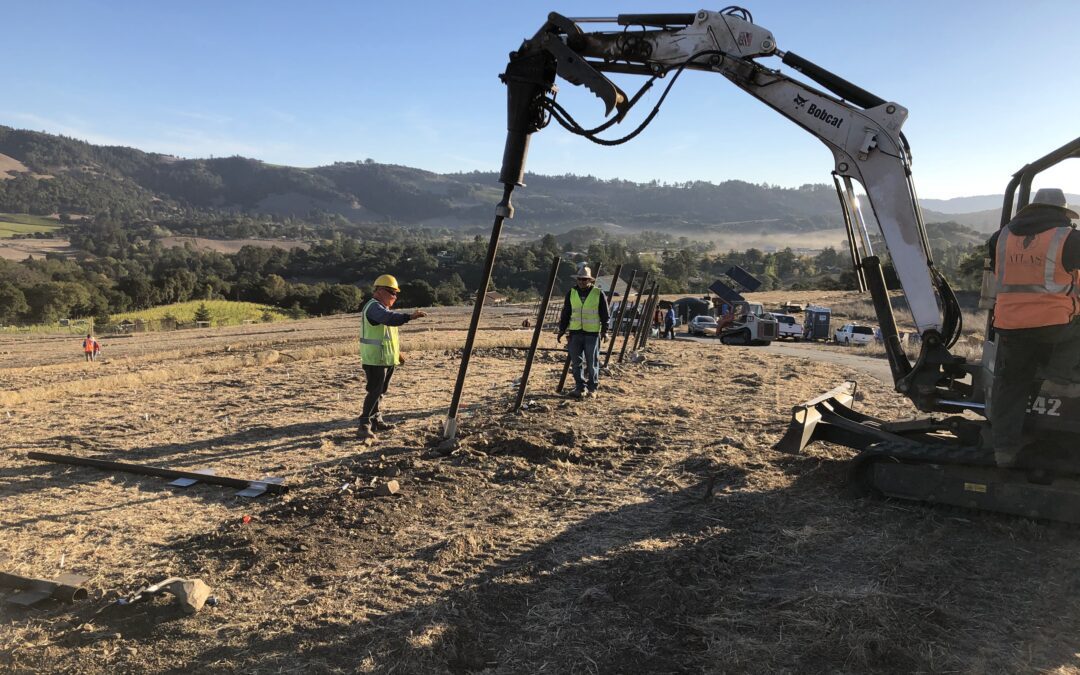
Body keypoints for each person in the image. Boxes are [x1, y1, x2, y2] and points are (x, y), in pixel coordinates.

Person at [987, 188, 1080, 467]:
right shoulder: (1069, 238)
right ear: (1063, 212)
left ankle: (1003, 451)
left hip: (1010, 324)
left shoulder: (999, 238)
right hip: (1055, 324)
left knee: (1011, 384)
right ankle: (1059, 380)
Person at [357, 274, 427, 440]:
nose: (395, 296)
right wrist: (408, 317)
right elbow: (389, 319)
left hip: (387, 358)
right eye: (391, 292)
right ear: (380, 290)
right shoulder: (374, 308)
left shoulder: (383, 308)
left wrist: (398, 354)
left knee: (381, 391)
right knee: (374, 391)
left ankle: (376, 420)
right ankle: (364, 424)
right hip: (375, 359)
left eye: (396, 293)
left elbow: (388, 334)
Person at [556, 265, 610, 398]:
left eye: (584, 279)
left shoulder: (598, 293)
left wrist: (605, 331)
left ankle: (592, 388)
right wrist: (562, 329)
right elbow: (566, 312)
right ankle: (580, 387)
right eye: (580, 279)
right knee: (576, 363)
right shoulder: (572, 293)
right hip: (575, 332)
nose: (581, 281)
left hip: (592, 333)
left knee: (592, 362)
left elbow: (605, 314)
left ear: (590, 280)